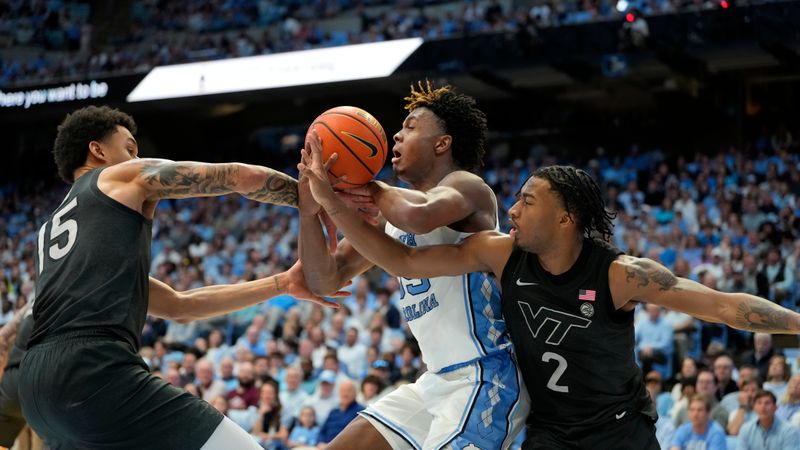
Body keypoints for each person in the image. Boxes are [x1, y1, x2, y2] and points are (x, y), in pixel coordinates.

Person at [300, 161, 800, 449]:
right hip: (551, 434)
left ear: (566, 218)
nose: (511, 209)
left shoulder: (618, 274)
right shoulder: (500, 254)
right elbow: (403, 262)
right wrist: (335, 202)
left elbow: (723, 307)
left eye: (528, 201)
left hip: (619, 429)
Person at [17, 105, 344, 450]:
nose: (137, 157)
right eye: (129, 148)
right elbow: (238, 176)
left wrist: (282, 284)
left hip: (37, 389)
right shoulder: (117, 177)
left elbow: (178, 306)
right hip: (92, 370)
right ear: (97, 150)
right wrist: (317, 204)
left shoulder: (50, 231)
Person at [298, 81, 528, 449]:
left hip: (488, 374)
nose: (396, 135)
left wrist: (366, 189)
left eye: (410, 126)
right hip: (435, 380)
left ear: (442, 143)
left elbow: (419, 216)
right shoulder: (386, 219)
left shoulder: (468, 188)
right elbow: (324, 279)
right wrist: (310, 211)